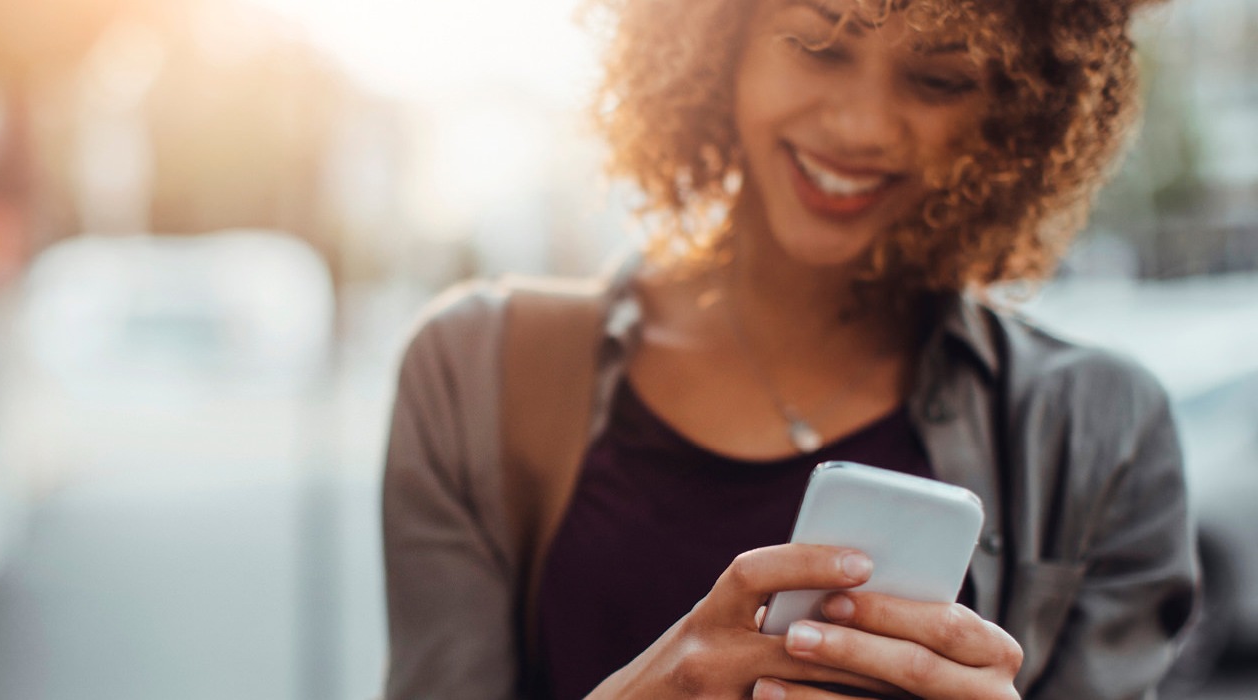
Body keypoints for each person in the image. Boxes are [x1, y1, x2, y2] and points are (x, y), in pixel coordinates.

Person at [380, 0, 1197, 698]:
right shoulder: (478, 370)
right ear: (716, 37)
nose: (860, 126)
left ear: (1017, 110)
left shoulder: (1104, 430)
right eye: (817, 46)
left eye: (940, 79)